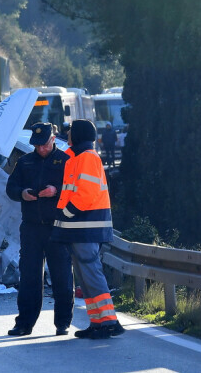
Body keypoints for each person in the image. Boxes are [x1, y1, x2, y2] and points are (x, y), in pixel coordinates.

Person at [53, 119, 125, 339]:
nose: (68, 135)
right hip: (78, 227)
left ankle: (109, 322)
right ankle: (98, 322)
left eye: (71, 132)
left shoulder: (87, 158)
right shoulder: (78, 158)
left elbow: (85, 194)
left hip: (85, 226)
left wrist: (65, 213)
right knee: (85, 278)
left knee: (91, 274)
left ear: (79, 135)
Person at [5, 122, 74, 337]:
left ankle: (62, 323)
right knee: (29, 277)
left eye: (44, 145)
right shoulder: (25, 162)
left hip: (57, 227)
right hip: (31, 227)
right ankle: (24, 323)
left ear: (53, 139)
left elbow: (75, 190)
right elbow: (11, 188)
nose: (41, 149)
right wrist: (22, 193)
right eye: (37, 146)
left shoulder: (65, 161)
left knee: (62, 276)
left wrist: (56, 191)